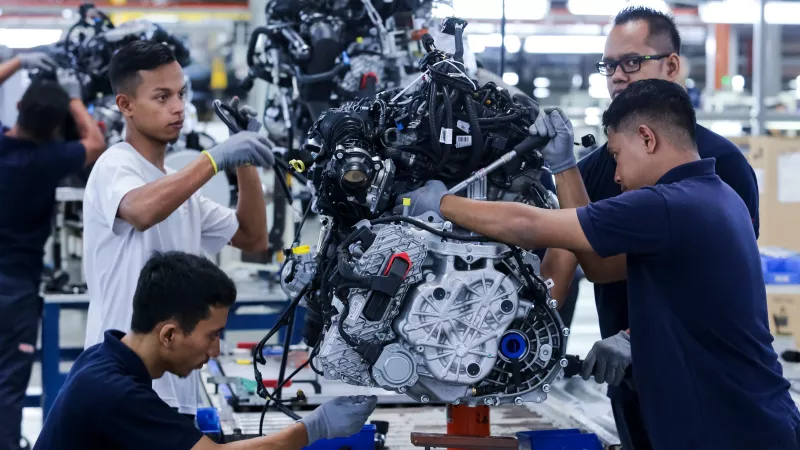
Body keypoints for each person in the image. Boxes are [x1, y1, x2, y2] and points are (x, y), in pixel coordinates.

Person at [397, 79, 799, 450]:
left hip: (731, 432)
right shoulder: (717, 196)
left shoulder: (667, 205)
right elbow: (601, 266)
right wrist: (564, 168)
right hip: (749, 418)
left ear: (647, 138)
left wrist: (440, 203)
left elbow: (529, 225)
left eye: (616, 156)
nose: (618, 175)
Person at [536, 7, 760, 449]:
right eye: (609, 66)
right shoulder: (595, 170)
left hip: (708, 382)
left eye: (631, 62)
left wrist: (637, 338)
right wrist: (525, 329)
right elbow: (564, 256)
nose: (617, 76)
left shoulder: (723, 166)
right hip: (629, 381)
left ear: (671, 65)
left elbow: (723, 281)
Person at [82, 40, 275, 421]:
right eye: (162, 96)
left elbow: (253, 239)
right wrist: (215, 158)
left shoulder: (178, 187)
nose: (178, 107)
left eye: (181, 94)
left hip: (175, 385)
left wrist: (244, 161)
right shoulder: (114, 166)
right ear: (126, 105)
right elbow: (141, 210)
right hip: (121, 382)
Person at [34, 251, 377, 450]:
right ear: (168, 334)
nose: (215, 352)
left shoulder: (102, 358)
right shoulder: (114, 392)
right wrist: (314, 427)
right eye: (211, 336)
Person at [0, 51, 106, 450]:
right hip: (15, 291)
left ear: (18, 107)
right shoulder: (48, 159)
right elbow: (94, 142)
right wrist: (75, 95)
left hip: (12, 286)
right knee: (8, 383)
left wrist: (21, 62)